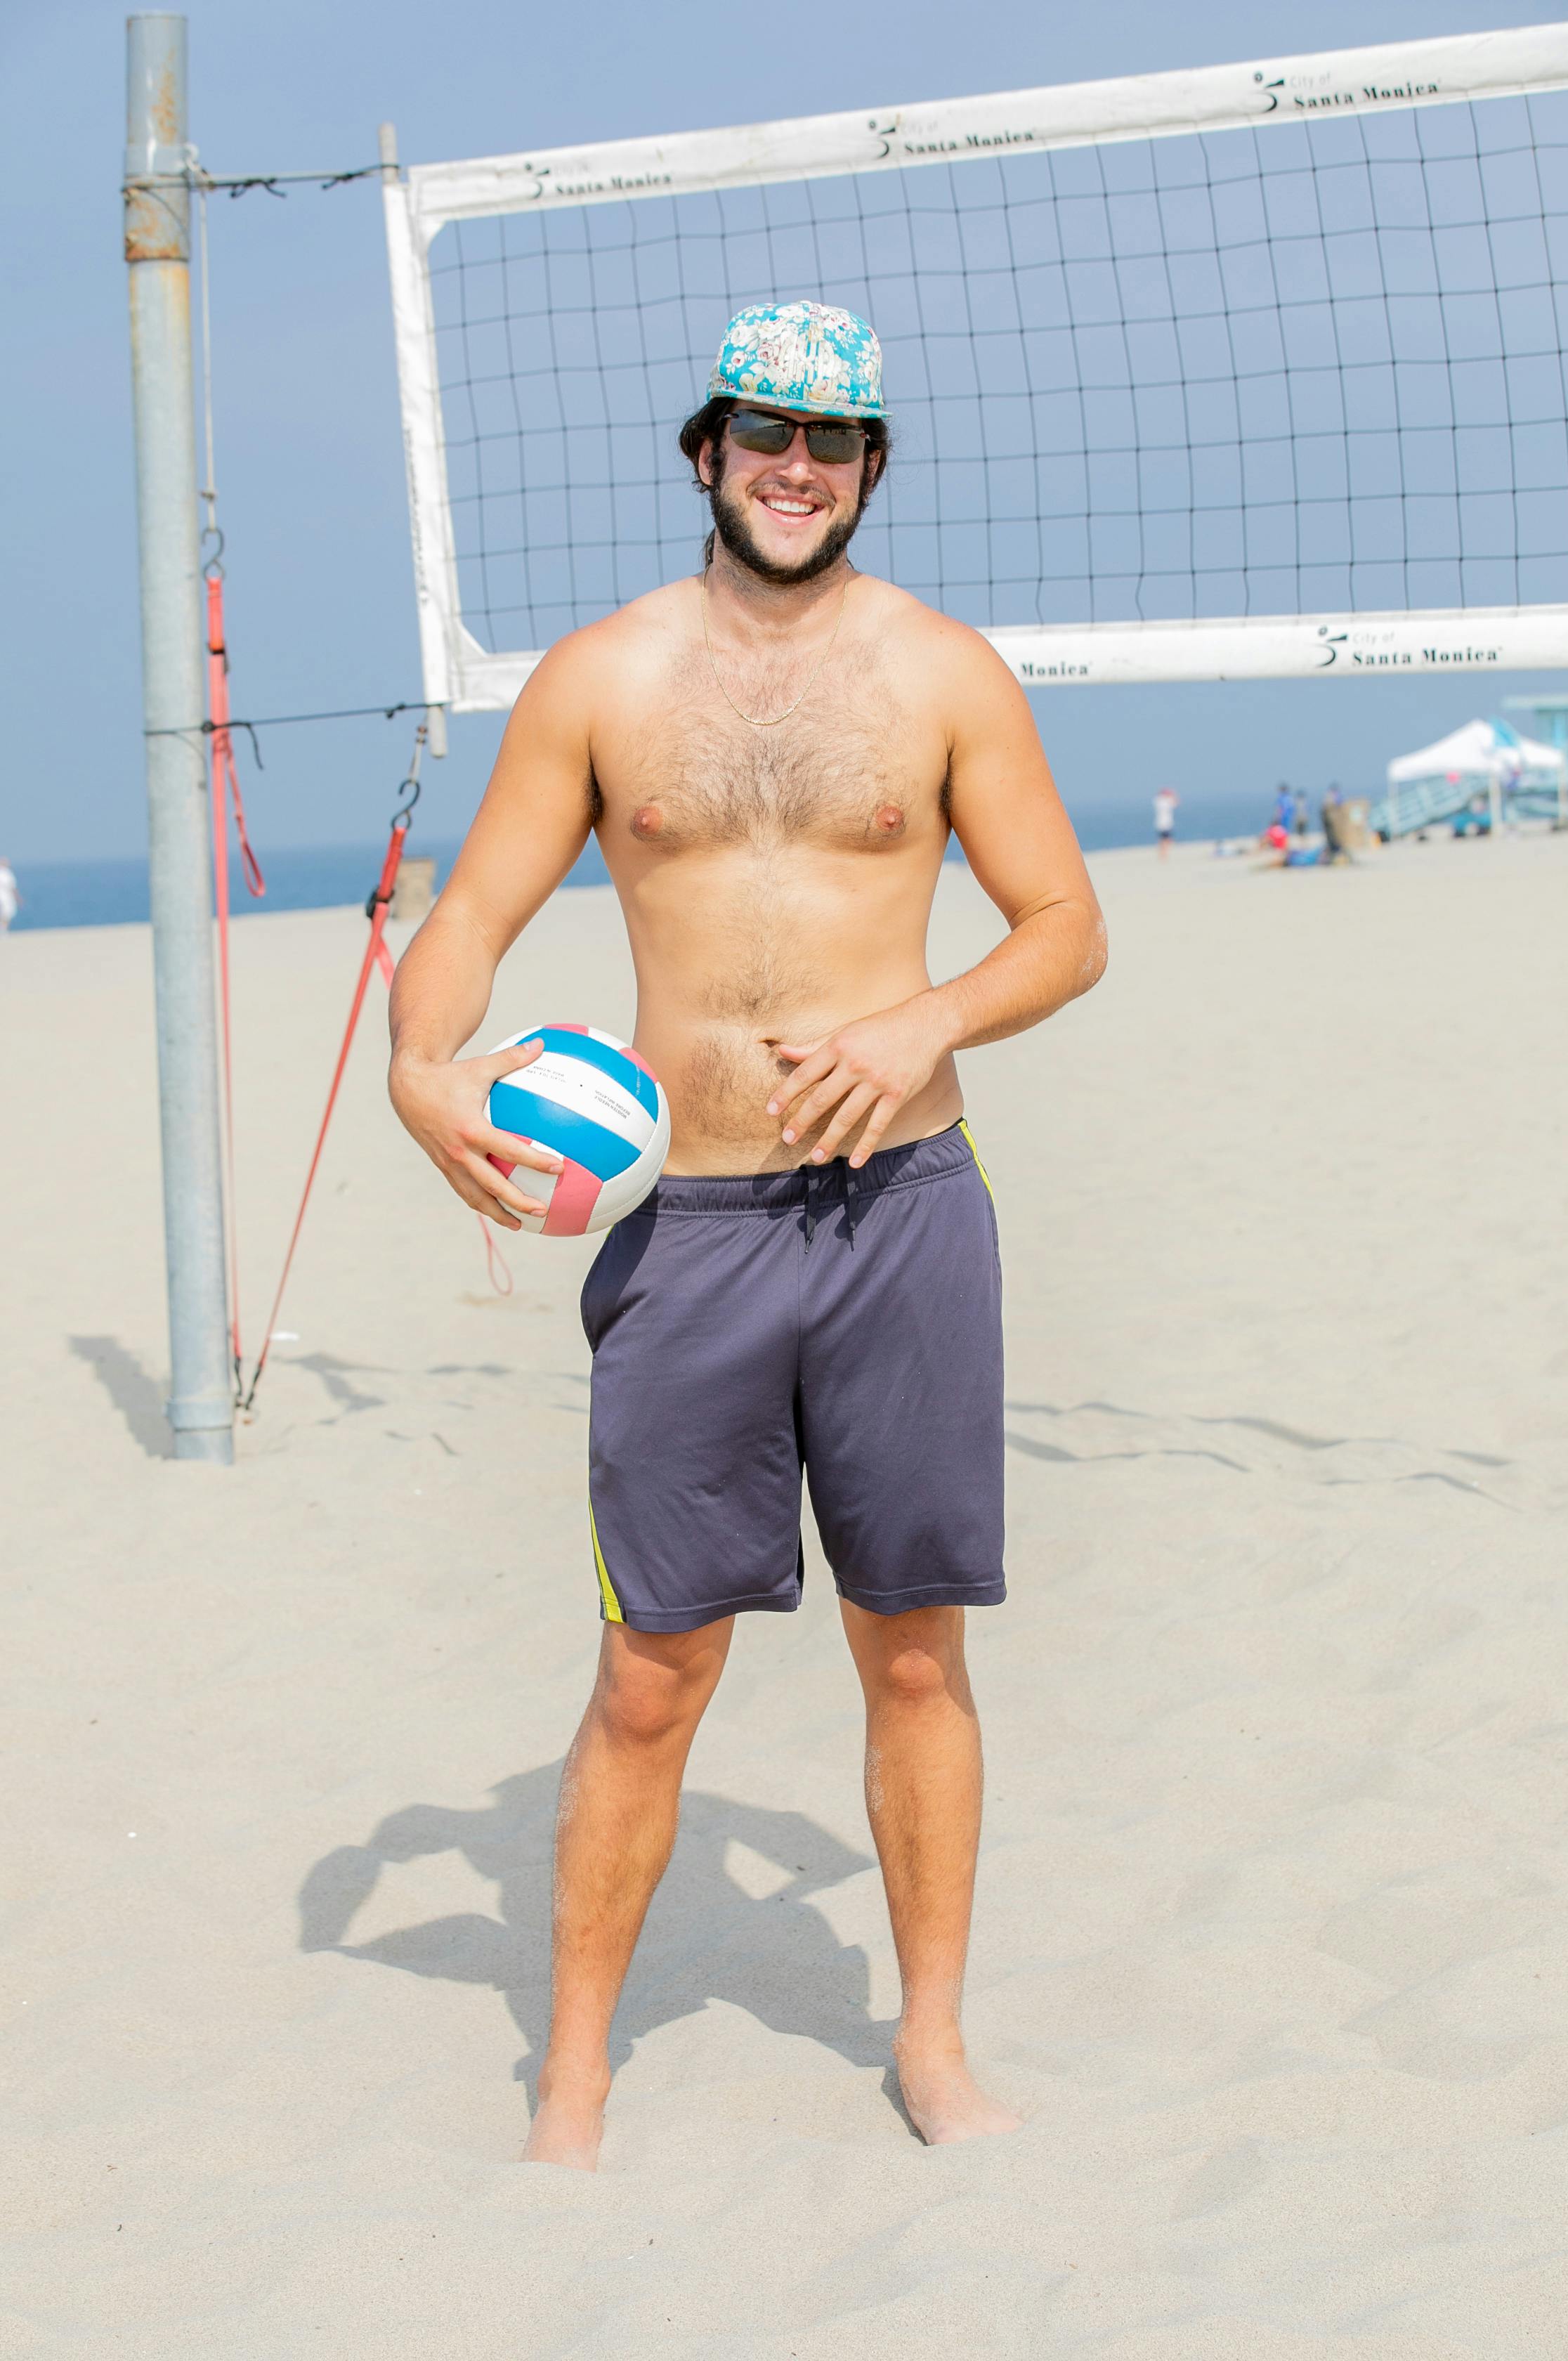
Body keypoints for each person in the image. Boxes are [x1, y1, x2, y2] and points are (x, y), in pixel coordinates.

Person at [388, 299, 1107, 2171]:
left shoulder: (945, 675)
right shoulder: (599, 679)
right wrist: (416, 1060)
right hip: (689, 1227)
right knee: (651, 1672)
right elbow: (470, 911)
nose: (799, 465)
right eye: (766, 431)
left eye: (837, 439)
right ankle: (574, 2075)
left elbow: (1063, 925)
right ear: (709, 448)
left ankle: (930, 2045)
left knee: (917, 1652)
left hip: (906, 1215)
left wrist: (924, 1017)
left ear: (871, 470)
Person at [1153, 785, 1178, 857]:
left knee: (1164, 839)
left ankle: (1163, 853)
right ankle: (1163, 854)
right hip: (1164, 823)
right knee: (1166, 840)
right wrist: (1173, 794)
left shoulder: (1158, 801)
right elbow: (1176, 803)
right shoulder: (1163, 801)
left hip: (1162, 823)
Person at [0, 856, 18, 932]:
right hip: (6, 898)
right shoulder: (7, 874)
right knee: (7, 913)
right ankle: (3, 930)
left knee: (4, 914)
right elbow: (12, 887)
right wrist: (18, 898)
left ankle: (3, 929)